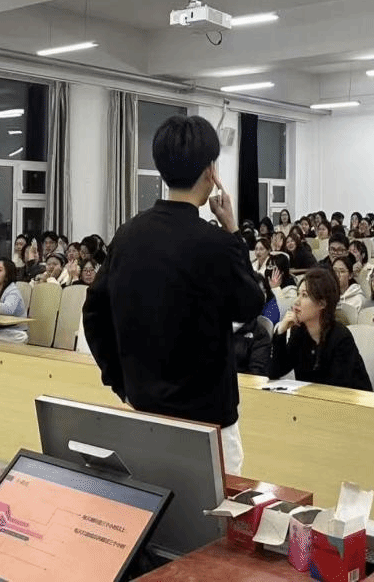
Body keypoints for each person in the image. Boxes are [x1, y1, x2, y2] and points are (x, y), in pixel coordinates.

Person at [83, 114, 263, 476]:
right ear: (211, 171)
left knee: (155, 503)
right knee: (213, 509)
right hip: (209, 419)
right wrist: (233, 231)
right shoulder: (216, 244)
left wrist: (120, 383)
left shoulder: (127, 236)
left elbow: (94, 315)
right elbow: (251, 304)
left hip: (146, 410)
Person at [270, 269, 372, 391]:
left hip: (350, 400)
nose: (296, 301)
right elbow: (275, 372)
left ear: (322, 303)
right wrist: (280, 332)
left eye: (304, 295)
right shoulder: (299, 331)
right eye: (298, 294)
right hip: (313, 399)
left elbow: (338, 389)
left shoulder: (341, 337)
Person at [233, 276, 273, 376]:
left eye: (264, 291)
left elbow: (257, 373)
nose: (262, 297)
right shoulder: (212, 323)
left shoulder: (260, 333)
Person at [0, 258, 28, 343]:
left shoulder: (13, 291)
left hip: (15, 331)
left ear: (6, 276)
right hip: (0, 330)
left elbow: (8, 309)